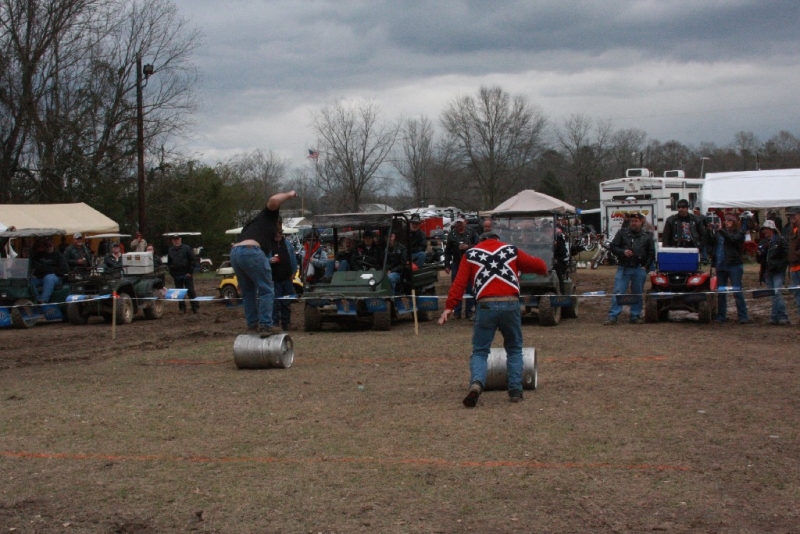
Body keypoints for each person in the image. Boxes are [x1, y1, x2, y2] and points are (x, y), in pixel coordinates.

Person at [438, 232, 548, 406]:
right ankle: (515, 390)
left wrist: (450, 307)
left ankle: (476, 384)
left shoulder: (471, 254)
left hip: (485, 304)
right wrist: (542, 270)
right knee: (513, 348)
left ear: (480, 240)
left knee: (480, 351)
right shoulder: (510, 250)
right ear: (497, 239)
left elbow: (459, 283)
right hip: (510, 303)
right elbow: (539, 265)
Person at [229, 190, 297, 336]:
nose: (280, 231)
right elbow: (273, 200)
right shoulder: (269, 216)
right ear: (278, 222)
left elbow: (260, 258)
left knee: (248, 292)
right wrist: (290, 195)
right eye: (280, 227)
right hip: (250, 250)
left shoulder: (255, 228)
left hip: (235, 253)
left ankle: (252, 325)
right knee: (266, 289)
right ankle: (266, 325)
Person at [604, 212, 656, 325]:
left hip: (639, 269)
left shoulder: (647, 236)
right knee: (618, 291)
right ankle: (613, 316)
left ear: (641, 222)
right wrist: (623, 252)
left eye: (636, 221)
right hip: (624, 268)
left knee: (637, 292)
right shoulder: (622, 233)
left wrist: (645, 267)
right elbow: (613, 247)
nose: (634, 223)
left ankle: (635, 316)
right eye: (632, 221)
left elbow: (651, 253)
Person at [711, 213, 751, 324]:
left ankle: (743, 316)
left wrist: (721, 231)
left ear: (734, 222)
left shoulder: (740, 232)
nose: (726, 222)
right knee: (721, 292)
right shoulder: (720, 234)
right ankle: (721, 315)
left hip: (734, 265)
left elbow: (733, 240)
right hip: (721, 265)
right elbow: (714, 246)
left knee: (737, 291)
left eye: (729, 220)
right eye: (725, 220)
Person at [444, 215, 479, 319]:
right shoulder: (452, 234)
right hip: (457, 263)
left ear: (465, 222)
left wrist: (468, 247)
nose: (459, 224)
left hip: (470, 263)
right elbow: (447, 251)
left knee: (470, 287)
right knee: (456, 286)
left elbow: (479, 245)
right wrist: (447, 264)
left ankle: (469, 311)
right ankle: (457, 311)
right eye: (457, 222)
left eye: (460, 222)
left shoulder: (472, 232)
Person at [756, 220, 789, 325]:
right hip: (767, 272)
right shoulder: (763, 242)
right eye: (764, 229)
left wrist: (780, 266)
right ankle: (775, 317)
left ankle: (783, 316)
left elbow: (786, 255)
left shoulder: (781, 240)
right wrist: (759, 254)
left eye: (766, 229)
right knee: (773, 294)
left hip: (777, 271)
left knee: (777, 293)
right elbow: (759, 260)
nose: (765, 231)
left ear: (772, 230)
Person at [271, 223, 298, 331]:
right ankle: (275, 324)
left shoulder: (287, 244)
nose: (279, 234)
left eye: (281, 232)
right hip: (274, 279)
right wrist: (270, 260)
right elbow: (264, 260)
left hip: (287, 278)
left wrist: (293, 272)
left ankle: (287, 323)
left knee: (286, 302)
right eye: (277, 232)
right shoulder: (268, 245)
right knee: (275, 303)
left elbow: (293, 258)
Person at [167, 234, 199, 314]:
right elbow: (169, 263)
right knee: (179, 293)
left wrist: (190, 272)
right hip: (177, 275)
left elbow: (192, 261)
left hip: (186, 274)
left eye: (177, 239)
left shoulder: (187, 248)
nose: (176, 241)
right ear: (172, 241)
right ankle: (182, 308)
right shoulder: (170, 250)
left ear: (180, 239)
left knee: (191, 291)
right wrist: (172, 273)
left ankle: (195, 307)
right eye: (174, 239)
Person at [31, 238, 68, 303]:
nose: (48, 247)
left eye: (50, 245)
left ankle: (43, 300)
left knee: (49, 278)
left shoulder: (58, 255)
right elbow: (36, 266)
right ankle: (36, 299)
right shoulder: (40, 255)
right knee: (30, 281)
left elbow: (64, 269)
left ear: (53, 245)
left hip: (55, 277)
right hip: (41, 277)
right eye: (46, 246)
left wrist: (51, 271)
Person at [785, 206, 800, 319]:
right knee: (797, 294)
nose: (791, 217)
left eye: (793, 215)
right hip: (794, 266)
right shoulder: (791, 230)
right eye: (790, 216)